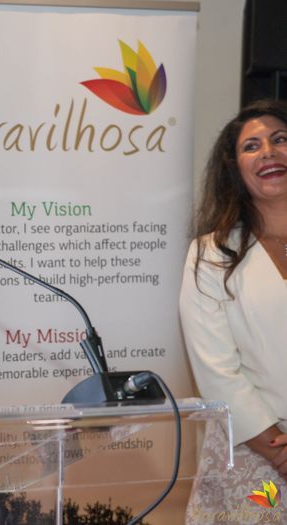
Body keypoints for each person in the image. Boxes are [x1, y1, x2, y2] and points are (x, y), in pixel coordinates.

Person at [179, 99, 287, 523]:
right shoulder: (210, 254)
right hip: (253, 451)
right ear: (234, 168)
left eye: (280, 139)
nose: (269, 153)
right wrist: (276, 448)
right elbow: (215, 368)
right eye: (252, 146)